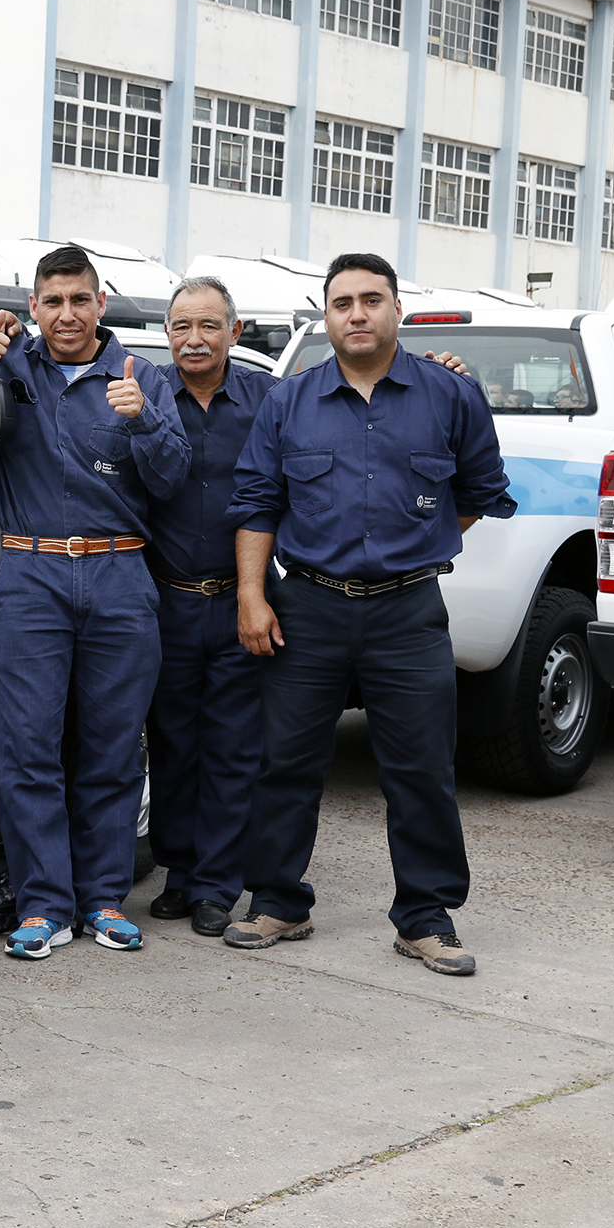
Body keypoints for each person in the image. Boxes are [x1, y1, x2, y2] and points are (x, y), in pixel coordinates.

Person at [225, 251, 515, 975]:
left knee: (420, 767)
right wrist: (253, 595)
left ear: (396, 310)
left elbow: (481, 491)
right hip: (308, 606)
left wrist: (419, 542)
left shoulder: (451, 396)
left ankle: (425, 916)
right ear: (326, 316)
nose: (358, 313)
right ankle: (279, 901)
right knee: (284, 760)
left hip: (408, 609)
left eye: (372, 300)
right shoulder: (289, 401)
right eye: (343, 302)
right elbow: (258, 504)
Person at [0, 245, 189, 960]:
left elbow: (175, 477)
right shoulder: (9, 362)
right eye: (52, 301)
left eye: (80, 300)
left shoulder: (141, 376)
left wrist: (144, 419)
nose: (67, 314)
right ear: (34, 307)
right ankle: (43, 907)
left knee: (114, 750)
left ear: (101, 305)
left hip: (120, 576)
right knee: (27, 748)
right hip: (31, 575)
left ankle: (103, 900)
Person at [142, 278, 280, 939]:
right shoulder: (144, 397)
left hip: (240, 602)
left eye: (208, 326)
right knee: (172, 744)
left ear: (235, 329)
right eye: (180, 327)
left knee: (230, 747)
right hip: (165, 599)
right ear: (167, 333)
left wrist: (438, 370)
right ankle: (179, 871)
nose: (193, 340)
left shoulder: (269, 399)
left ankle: (218, 885)